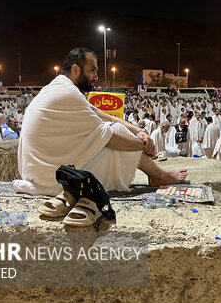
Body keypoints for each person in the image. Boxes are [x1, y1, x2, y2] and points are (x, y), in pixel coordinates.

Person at [13, 47, 187, 196]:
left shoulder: (59, 87)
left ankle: (157, 174)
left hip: (40, 171)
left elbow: (106, 116)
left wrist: (138, 132)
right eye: (92, 70)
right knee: (118, 135)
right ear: (75, 70)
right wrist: (143, 144)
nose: (96, 76)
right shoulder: (68, 94)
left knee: (118, 128)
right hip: (52, 177)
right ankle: (160, 175)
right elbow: (111, 138)